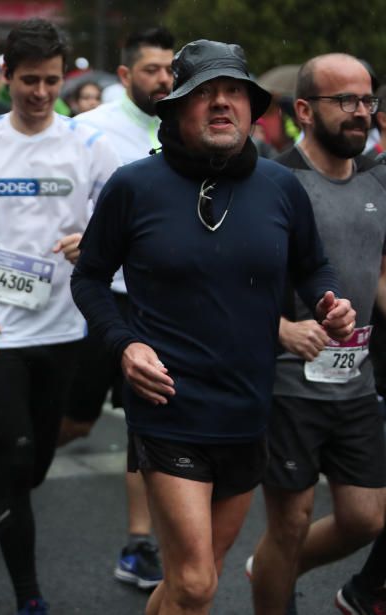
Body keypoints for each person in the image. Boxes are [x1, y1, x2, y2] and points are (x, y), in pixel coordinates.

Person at [71, 40, 356, 615]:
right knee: (198, 583)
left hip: (248, 409)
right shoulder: (134, 186)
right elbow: (90, 280)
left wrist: (331, 302)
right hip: (168, 406)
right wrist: (124, 345)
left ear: (253, 110)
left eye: (234, 93)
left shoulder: (281, 188)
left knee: (189, 582)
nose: (221, 103)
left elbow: (313, 267)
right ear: (176, 109)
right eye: (204, 93)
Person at [0, 19, 119, 614]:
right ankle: (29, 597)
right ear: (5, 75)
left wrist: (91, 241)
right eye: (29, 81)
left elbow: (121, 231)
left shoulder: (90, 146)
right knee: (15, 457)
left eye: (52, 81)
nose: (41, 93)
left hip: (66, 327)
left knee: (35, 463)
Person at [248, 54, 386, 615]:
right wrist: (279, 326)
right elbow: (233, 280)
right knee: (290, 523)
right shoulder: (272, 183)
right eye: (345, 102)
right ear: (304, 110)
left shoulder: (377, 181)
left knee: (367, 517)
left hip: (355, 379)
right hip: (289, 384)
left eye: (367, 101)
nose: (361, 113)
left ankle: (272, 570)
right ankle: (275, 581)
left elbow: (375, 277)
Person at [70, 26, 175, 590]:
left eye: (170, 70)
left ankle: (140, 542)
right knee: (73, 422)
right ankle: (8, 478)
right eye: (153, 70)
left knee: (146, 412)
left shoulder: (184, 124)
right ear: (127, 75)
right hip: (98, 295)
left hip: (157, 302)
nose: (164, 80)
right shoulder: (88, 130)